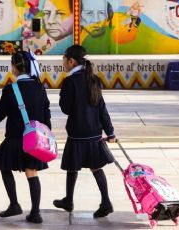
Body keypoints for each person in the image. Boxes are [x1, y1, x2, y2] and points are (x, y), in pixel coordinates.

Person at [0, 51, 51, 224]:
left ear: (15, 67)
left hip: (15, 138)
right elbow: (46, 113)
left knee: (4, 167)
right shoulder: (39, 87)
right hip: (34, 139)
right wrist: (46, 134)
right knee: (31, 172)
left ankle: (14, 204)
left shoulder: (11, 89)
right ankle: (35, 212)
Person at [53, 45, 116, 219]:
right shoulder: (93, 79)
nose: (63, 63)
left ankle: (69, 200)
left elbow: (65, 109)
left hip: (77, 133)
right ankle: (105, 202)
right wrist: (110, 133)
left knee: (72, 167)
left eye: (64, 60)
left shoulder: (70, 81)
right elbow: (102, 108)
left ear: (71, 61)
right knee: (96, 168)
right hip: (94, 133)